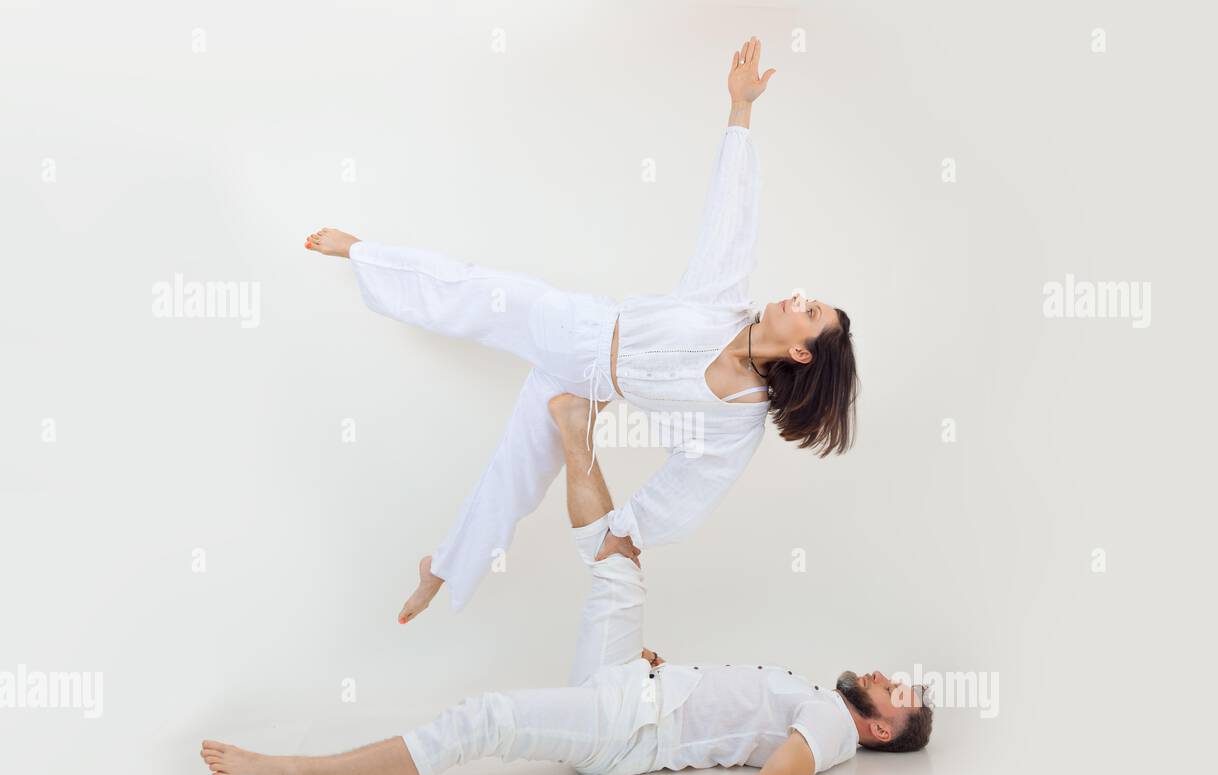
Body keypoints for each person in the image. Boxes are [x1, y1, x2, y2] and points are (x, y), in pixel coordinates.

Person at [200, 395, 931, 775]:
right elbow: (732, 718)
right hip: (633, 687)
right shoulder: (819, 697)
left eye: (898, 696)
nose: (886, 680)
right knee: (618, 559)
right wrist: (663, 673)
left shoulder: (832, 730)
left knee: (482, 719)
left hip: (626, 729)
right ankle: (576, 430)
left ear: (878, 731)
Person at [303, 36, 860, 621]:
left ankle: (441, 566)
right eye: (811, 299)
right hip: (573, 327)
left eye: (812, 311)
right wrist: (741, 109)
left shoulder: (736, 418)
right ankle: (363, 254)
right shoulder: (723, 301)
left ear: (801, 351)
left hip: (589, 387)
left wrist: (633, 529)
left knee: (516, 476)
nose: (800, 298)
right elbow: (732, 214)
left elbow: (696, 488)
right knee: (469, 289)